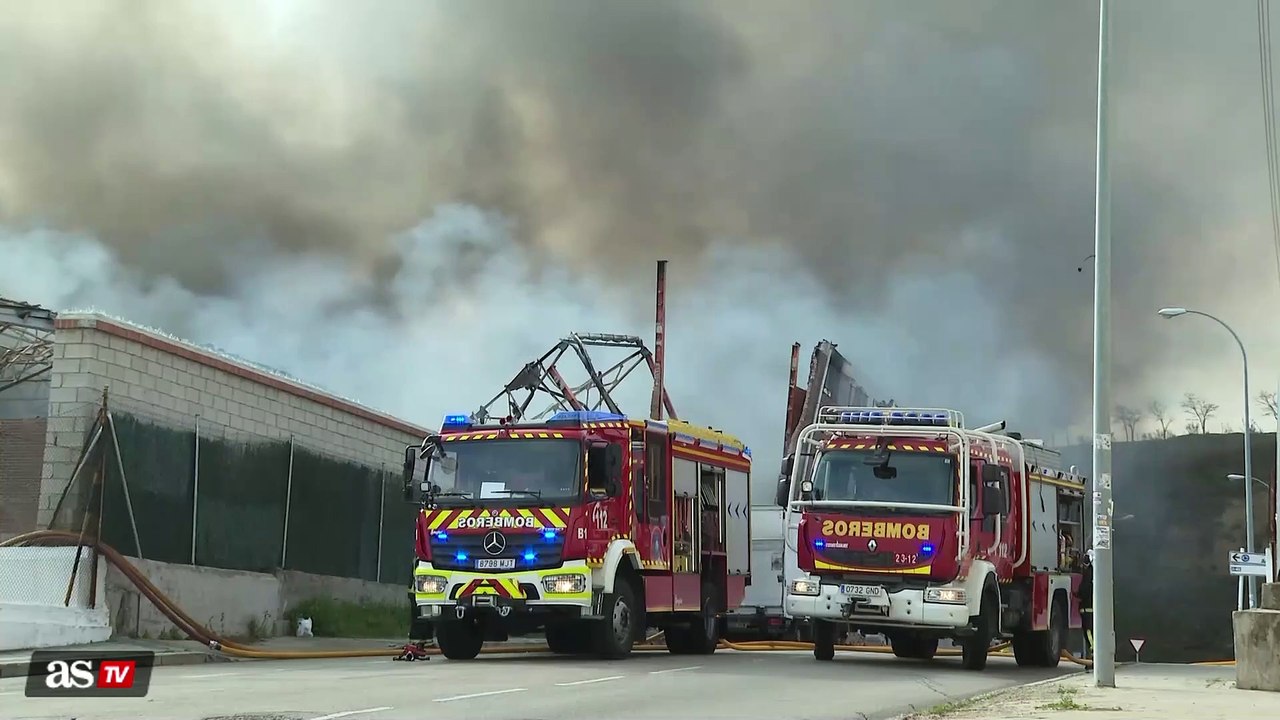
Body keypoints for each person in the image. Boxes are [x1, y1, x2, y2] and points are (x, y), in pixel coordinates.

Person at [1076, 548, 1094, 661]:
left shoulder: (1088, 574)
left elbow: (1084, 589)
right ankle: (1094, 653)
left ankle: (1093, 652)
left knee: (1088, 632)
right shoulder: (1098, 573)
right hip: (1093, 609)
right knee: (1092, 632)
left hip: (1087, 608)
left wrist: (1077, 594)